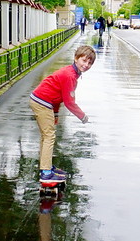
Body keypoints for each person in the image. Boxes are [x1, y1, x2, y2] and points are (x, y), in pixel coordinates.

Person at [29, 45, 96, 182]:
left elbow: (57, 96)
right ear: (76, 58)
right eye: (84, 60)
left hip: (42, 101)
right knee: (49, 136)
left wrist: (55, 115)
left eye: (90, 63)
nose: (86, 65)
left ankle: (46, 167)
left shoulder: (72, 73)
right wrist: (82, 116)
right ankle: (46, 172)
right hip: (42, 102)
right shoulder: (70, 75)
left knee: (46, 135)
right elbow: (69, 102)